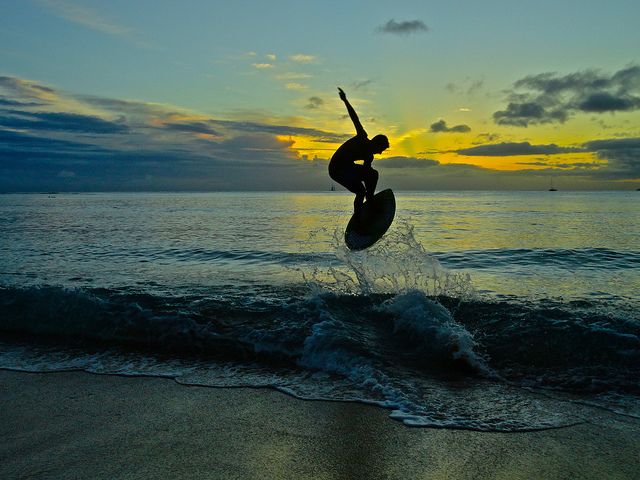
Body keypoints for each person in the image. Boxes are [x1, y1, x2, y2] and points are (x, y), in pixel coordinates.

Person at [329, 87, 389, 216]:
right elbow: (354, 118)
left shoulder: (369, 157)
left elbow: (367, 175)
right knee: (361, 191)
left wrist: (370, 193)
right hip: (336, 169)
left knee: (372, 175)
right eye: (381, 149)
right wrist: (345, 100)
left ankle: (369, 200)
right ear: (376, 143)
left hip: (347, 168)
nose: (381, 153)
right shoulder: (362, 137)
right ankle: (358, 218)